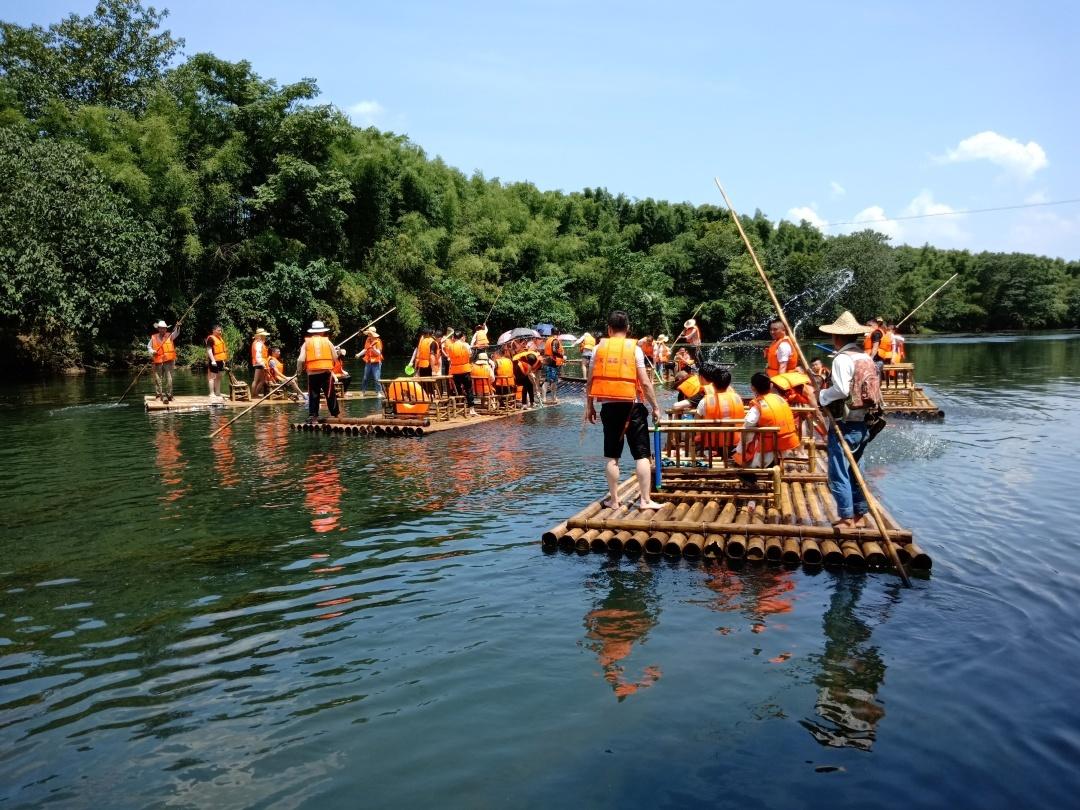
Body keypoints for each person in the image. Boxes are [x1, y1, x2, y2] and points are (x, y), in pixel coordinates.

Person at [584, 309, 663, 511]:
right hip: (633, 406)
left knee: (612, 456)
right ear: (627, 329)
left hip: (609, 407)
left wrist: (590, 406)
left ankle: (614, 500)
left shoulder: (597, 349)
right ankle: (645, 500)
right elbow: (645, 382)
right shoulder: (634, 349)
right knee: (642, 455)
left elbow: (590, 380)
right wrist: (655, 407)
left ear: (609, 329)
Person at [818, 311, 883, 527]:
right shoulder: (865, 357)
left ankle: (846, 517)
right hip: (864, 421)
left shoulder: (842, 359)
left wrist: (822, 396)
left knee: (838, 471)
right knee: (856, 469)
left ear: (837, 338)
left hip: (845, 423)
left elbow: (841, 389)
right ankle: (860, 513)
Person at [733, 372, 801, 468]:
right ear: (771, 385)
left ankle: (745, 464)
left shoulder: (758, 405)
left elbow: (748, 424)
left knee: (746, 431)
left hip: (765, 451)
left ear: (752, 388)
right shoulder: (780, 399)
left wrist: (740, 448)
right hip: (783, 447)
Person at [696, 365, 745, 455]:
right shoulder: (738, 399)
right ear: (728, 383)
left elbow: (696, 424)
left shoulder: (705, 401)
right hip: (734, 447)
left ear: (713, 383)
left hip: (711, 448)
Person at [297, 320, 339, 422]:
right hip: (326, 373)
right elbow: (335, 357)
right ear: (322, 331)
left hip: (313, 374)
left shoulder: (306, 343)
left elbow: (300, 359)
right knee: (330, 394)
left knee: (313, 395)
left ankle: (313, 415)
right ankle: (335, 415)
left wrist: (299, 370)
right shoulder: (328, 342)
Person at [147, 319, 180, 402]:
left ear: (166, 329)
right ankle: (158, 395)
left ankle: (169, 395)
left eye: (164, 328)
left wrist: (177, 326)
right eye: (161, 328)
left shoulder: (170, 335)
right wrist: (152, 352)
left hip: (168, 361)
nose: (162, 330)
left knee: (169, 378)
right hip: (158, 361)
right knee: (158, 379)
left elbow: (176, 333)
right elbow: (149, 347)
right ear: (158, 329)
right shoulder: (154, 337)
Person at [447, 331, 478, 417]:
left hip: (455, 371)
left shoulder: (450, 346)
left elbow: (449, 357)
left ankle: (460, 407)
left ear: (454, 337)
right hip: (465, 370)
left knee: (458, 390)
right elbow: (470, 354)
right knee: (469, 389)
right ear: (461, 337)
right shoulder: (465, 345)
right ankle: (471, 409)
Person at [512, 339, 541, 409]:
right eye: (523, 343)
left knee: (530, 384)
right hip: (518, 375)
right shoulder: (519, 357)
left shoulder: (525, 355)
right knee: (525, 386)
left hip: (522, 373)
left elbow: (531, 369)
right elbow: (527, 372)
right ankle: (524, 404)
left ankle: (532, 402)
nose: (525, 345)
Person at [205, 324, 228, 402]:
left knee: (219, 376)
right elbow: (209, 350)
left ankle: (217, 392)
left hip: (220, 360)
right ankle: (211, 393)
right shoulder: (211, 339)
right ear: (214, 330)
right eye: (218, 330)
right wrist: (213, 360)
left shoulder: (220, 338)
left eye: (221, 330)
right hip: (214, 361)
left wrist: (223, 361)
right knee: (212, 377)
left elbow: (223, 351)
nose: (220, 332)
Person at [542, 330, 565, 404]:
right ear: (558, 334)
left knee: (547, 380)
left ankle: (547, 398)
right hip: (552, 362)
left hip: (547, 361)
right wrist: (562, 356)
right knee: (552, 381)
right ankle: (552, 398)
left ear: (551, 333)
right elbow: (554, 351)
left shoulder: (548, 340)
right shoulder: (555, 341)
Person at [359, 327, 384, 396]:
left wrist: (373, 349)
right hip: (368, 362)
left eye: (369, 334)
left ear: (372, 334)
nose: (368, 335)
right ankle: (363, 391)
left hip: (376, 362)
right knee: (365, 377)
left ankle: (378, 392)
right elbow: (365, 349)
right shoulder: (368, 340)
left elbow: (379, 353)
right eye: (368, 333)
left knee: (376, 378)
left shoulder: (378, 341)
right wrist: (359, 354)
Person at [250, 328, 270, 397]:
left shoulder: (258, 342)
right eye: (264, 335)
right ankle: (253, 395)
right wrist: (262, 364)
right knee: (256, 380)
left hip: (259, 362)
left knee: (262, 380)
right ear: (261, 335)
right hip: (259, 363)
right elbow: (258, 355)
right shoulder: (258, 343)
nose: (265, 336)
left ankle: (255, 393)